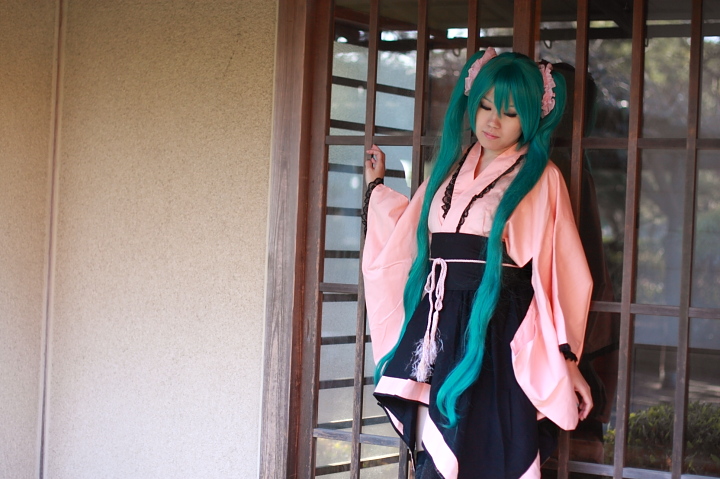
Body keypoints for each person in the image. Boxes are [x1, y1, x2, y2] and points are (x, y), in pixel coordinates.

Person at [361, 49, 594, 479]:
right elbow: (407, 236)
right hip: (437, 321)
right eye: (485, 106)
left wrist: (567, 356)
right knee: (436, 447)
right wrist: (377, 188)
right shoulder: (449, 168)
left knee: (482, 447)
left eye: (510, 113)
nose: (493, 121)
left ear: (531, 117)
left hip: (493, 326)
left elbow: (561, 271)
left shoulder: (541, 177)